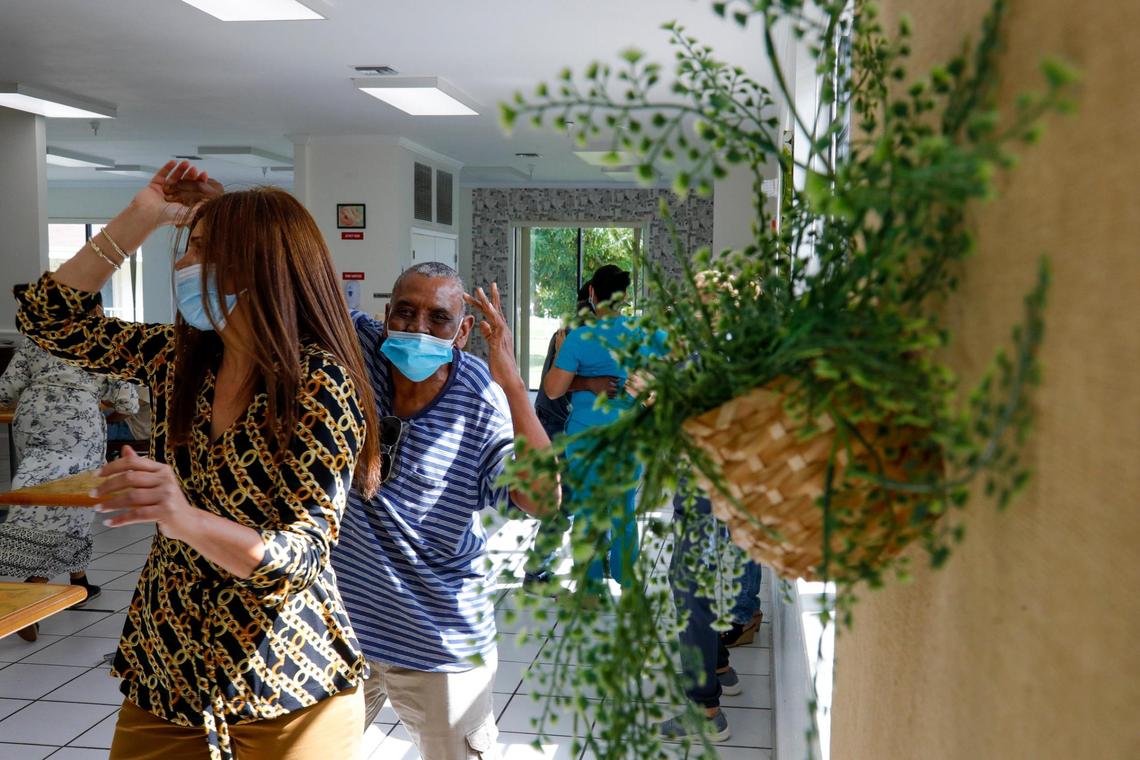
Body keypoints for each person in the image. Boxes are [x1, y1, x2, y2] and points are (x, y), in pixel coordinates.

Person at [16, 161, 382, 760]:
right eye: (188, 246)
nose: (185, 263)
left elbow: (300, 556)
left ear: (260, 267)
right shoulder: (179, 359)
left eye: (204, 249)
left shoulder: (318, 383)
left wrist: (182, 516)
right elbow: (48, 319)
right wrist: (143, 216)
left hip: (285, 682)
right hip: (169, 667)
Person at [331, 262, 558, 759]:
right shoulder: (359, 348)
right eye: (406, 313)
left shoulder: (480, 396)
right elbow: (297, 287)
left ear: (464, 330)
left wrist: (514, 384)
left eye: (438, 318)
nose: (417, 328)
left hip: (440, 640)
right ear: (386, 314)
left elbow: (542, 500)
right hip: (346, 631)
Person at [0, 335, 139, 641]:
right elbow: (129, 401)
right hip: (79, 428)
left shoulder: (37, 339)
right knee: (74, 505)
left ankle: (80, 581)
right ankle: (33, 588)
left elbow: (5, 389)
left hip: (31, 421)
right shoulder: (101, 342)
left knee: (40, 498)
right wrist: (105, 413)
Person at [543, 264, 657, 590]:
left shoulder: (579, 338)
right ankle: (628, 582)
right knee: (624, 509)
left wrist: (563, 353)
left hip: (584, 437)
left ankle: (591, 588)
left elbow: (553, 389)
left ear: (592, 293)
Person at [524, 283, 616, 586]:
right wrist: (592, 384)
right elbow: (559, 386)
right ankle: (536, 572)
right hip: (558, 422)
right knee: (564, 499)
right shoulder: (578, 326)